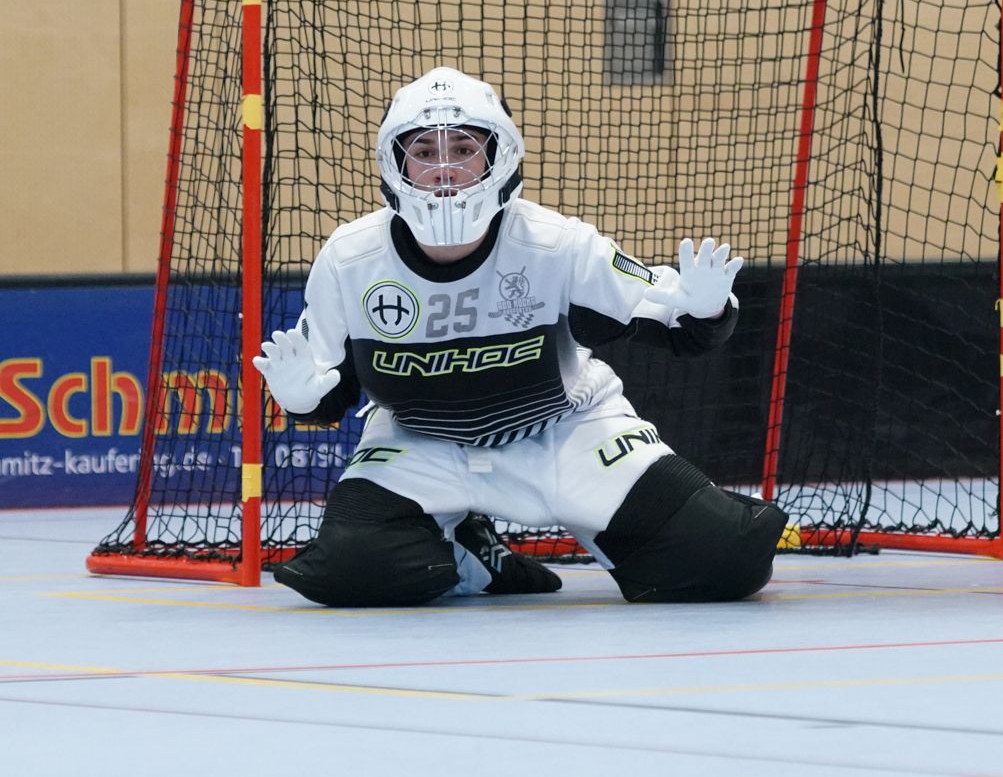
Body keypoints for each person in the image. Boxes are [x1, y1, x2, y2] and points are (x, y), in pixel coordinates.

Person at [253, 66, 787, 606]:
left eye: (462, 148)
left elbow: (674, 324)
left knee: (727, 558)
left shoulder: (557, 244)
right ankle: (474, 555)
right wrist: (301, 399)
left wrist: (709, 309)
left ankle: (620, 537)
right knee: (353, 569)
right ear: (396, 163)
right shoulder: (350, 258)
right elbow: (330, 392)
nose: (443, 168)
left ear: (496, 157)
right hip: (422, 442)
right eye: (423, 151)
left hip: (563, 430)